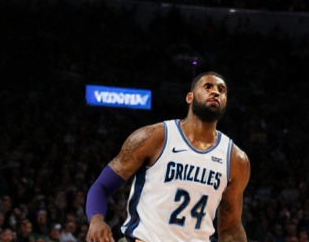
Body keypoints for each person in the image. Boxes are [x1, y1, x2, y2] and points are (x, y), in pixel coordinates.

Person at [84, 73, 250, 242]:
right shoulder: (152, 137)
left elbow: (231, 228)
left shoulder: (236, 160)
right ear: (190, 97)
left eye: (221, 90)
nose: (215, 92)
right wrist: (96, 221)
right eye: (208, 87)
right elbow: (102, 186)